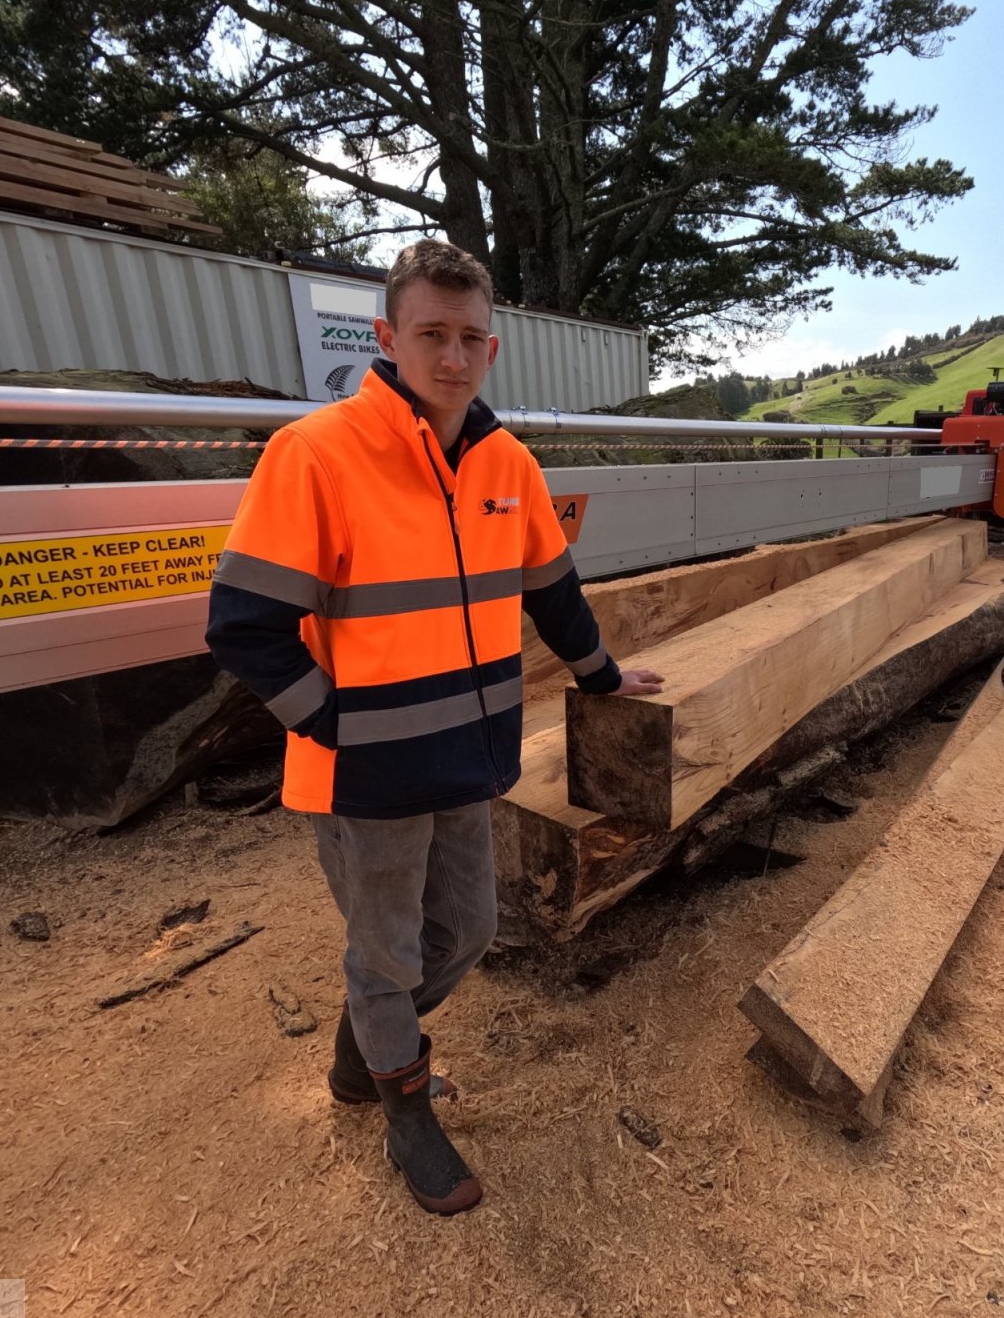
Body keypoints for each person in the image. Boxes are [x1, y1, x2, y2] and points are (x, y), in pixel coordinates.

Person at [206, 239, 662, 1216]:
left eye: (468, 338)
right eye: (429, 335)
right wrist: (333, 722)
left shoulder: (507, 462)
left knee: (469, 930)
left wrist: (603, 672)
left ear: (490, 350)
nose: (450, 357)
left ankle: (364, 1052)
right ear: (387, 338)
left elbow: (554, 588)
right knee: (388, 954)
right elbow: (241, 625)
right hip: (361, 773)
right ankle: (405, 1107)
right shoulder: (316, 453)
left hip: (468, 754)